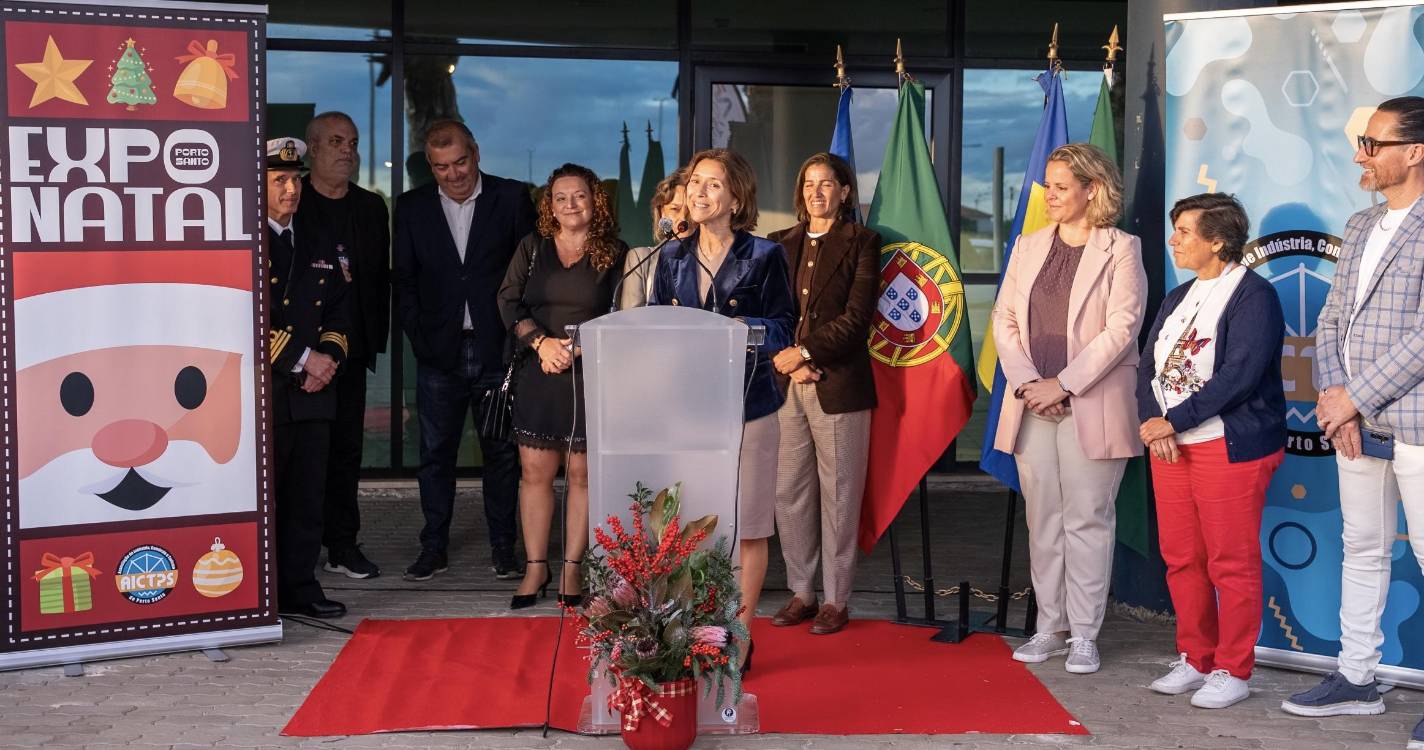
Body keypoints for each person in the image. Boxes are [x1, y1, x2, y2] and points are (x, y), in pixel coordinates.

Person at [1286, 97, 1424, 747]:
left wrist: (1354, 397)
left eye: (1373, 143)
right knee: (1361, 548)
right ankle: (1357, 679)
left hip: (1416, 423)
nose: (1359, 155)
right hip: (1355, 420)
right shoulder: (1363, 222)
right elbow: (1334, 317)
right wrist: (1335, 396)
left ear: (1414, 151)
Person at [990, 142, 1146, 674]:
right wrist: (1033, 383)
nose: (1049, 195)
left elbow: (1122, 329)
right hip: (1032, 401)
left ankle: (1084, 634)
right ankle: (1048, 626)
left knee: (1087, 520)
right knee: (1043, 520)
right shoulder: (1029, 246)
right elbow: (1004, 320)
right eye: (1049, 185)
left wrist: (1064, 384)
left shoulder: (1122, 248)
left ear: (1092, 189)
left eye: (1060, 187)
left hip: (1092, 402)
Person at [648, 148, 795, 673]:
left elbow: (784, 325)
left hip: (750, 405)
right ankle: (694, 625)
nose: (699, 192)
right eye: (694, 183)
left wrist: (740, 332)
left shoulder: (765, 255)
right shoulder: (670, 256)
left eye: (712, 184)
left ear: (736, 197)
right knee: (691, 525)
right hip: (687, 410)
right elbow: (652, 329)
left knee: (750, 525)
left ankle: (738, 634)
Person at [1137, 193, 1285, 709]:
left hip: (1229, 444)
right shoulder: (1177, 296)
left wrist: (1169, 422)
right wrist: (1154, 426)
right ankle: (1195, 658)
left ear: (1217, 241)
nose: (1173, 240)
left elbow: (1238, 376)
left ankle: (1233, 669)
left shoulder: (1254, 296)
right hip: (1172, 447)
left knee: (1231, 561)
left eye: (1184, 232)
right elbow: (1146, 368)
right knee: (1182, 558)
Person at [393, 120, 535, 582]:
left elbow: (530, 274)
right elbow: (405, 281)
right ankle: (433, 546)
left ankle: (503, 548)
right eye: (441, 167)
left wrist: (520, 337)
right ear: (430, 167)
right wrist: (420, 336)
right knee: (436, 454)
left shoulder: (512, 198)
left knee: (501, 454)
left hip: (497, 351)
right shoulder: (412, 208)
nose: (453, 174)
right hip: (440, 355)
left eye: (460, 162)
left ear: (475, 153)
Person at [498, 164, 627, 609]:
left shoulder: (615, 252)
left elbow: (619, 314)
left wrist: (576, 347)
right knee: (534, 474)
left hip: (588, 373)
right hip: (539, 371)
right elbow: (507, 300)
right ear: (548, 205)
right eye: (560, 197)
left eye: (579, 196)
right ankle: (537, 566)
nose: (570, 205)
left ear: (596, 201)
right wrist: (540, 342)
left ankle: (573, 568)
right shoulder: (531, 247)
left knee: (581, 475)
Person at [766, 152, 879, 635]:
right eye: (808, 183)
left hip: (839, 385)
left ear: (845, 191)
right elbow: (767, 313)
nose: (816, 192)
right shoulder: (776, 244)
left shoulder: (864, 242)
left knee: (839, 494)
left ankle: (836, 598)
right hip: (785, 386)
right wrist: (785, 359)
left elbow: (857, 319)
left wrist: (807, 355)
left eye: (826, 183)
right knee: (789, 492)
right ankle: (801, 592)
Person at [296, 111, 390, 581]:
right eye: (336, 141)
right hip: (299, 357)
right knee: (305, 455)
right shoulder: (294, 202)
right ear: (313, 149)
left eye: (352, 141)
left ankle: (342, 545)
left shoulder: (372, 208)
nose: (348, 150)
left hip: (349, 353)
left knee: (346, 452)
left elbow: (376, 283)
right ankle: (298, 547)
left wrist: (370, 341)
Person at [265, 137, 352, 619]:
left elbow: (341, 306)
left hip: (316, 391)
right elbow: (247, 313)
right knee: (269, 495)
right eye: (279, 180)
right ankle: (263, 590)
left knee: (307, 497)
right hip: (270, 389)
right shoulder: (244, 238)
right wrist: (302, 359)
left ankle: (301, 586)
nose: (291, 190)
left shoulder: (320, 235)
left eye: (295, 180)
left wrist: (328, 358)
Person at [619, 169, 694, 310]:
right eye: (675, 209)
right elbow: (632, 322)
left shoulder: (712, 261)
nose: (683, 218)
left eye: (690, 210)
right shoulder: (640, 259)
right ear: (661, 212)